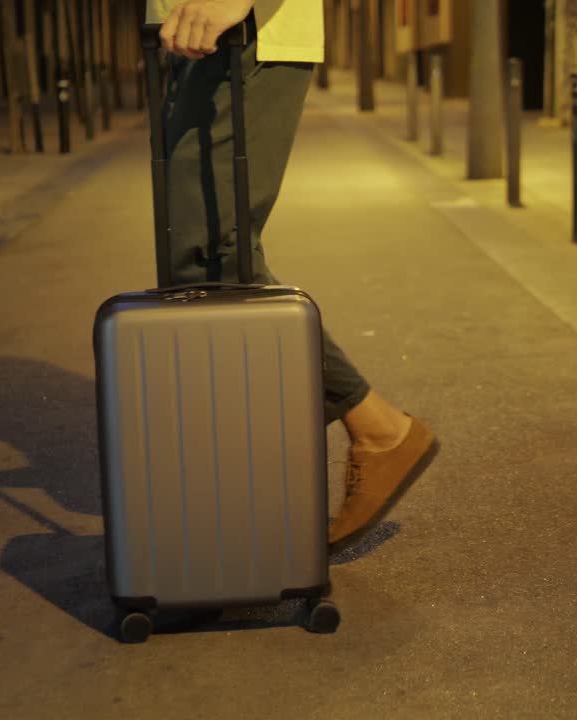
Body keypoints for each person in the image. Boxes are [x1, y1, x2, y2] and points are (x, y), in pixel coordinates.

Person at [147, 0, 439, 553]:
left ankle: (377, 429)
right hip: (199, 33)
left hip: (245, 26)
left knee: (211, 252)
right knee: (201, 262)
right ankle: (249, 485)